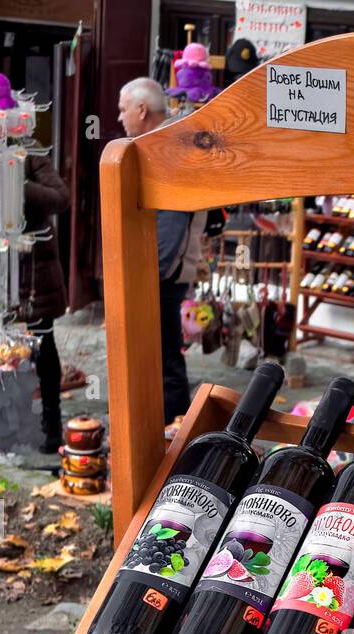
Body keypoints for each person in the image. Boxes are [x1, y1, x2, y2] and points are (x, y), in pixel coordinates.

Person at [117, 78, 206, 424]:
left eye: (124, 109)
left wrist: (146, 279)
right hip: (161, 272)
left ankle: (173, 435)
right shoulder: (160, 144)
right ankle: (163, 430)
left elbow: (171, 226)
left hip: (162, 276)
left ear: (142, 110)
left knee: (165, 358)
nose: (120, 117)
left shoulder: (168, 150)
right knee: (158, 356)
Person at [24, 155, 70, 452]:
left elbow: (60, 199)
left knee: (43, 344)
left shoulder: (30, 154)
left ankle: (51, 424)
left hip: (33, 270)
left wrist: (21, 186)